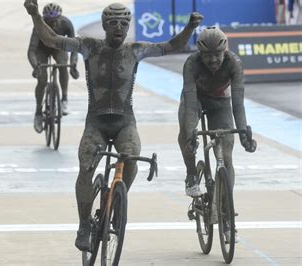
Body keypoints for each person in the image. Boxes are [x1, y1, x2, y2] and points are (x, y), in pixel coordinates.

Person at [24, 0, 203, 251]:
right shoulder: (89, 46)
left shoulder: (136, 50)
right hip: (96, 123)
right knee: (86, 169)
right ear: (105, 26)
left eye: (123, 23)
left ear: (128, 25)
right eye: (113, 23)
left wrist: (189, 27)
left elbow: (171, 46)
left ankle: (119, 198)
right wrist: (34, 14)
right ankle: (84, 225)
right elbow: (53, 40)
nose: (119, 27)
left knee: (131, 157)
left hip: (124, 123)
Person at [177, 27, 257, 241]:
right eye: (207, 56)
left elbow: (238, 105)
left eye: (217, 55)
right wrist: (191, 133)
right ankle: (191, 174)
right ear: (199, 54)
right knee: (187, 130)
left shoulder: (234, 64)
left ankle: (227, 217)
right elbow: (191, 105)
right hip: (195, 98)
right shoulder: (191, 64)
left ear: (225, 51)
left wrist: (243, 135)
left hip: (221, 101)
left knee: (227, 156)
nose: (213, 60)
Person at [27, 2, 79, 133]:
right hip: (41, 50)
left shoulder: (66, 23)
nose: (53, 24)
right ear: (45, 20)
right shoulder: (39, 26)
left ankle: (64, 98)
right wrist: (36, 67)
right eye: (49, 22)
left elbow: (75, 46)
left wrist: (73, 64)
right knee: (42, 80)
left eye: (55, 21)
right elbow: (31, 51)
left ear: (60, 18)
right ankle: (38, 112)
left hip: (58, 47)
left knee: (63, 64)